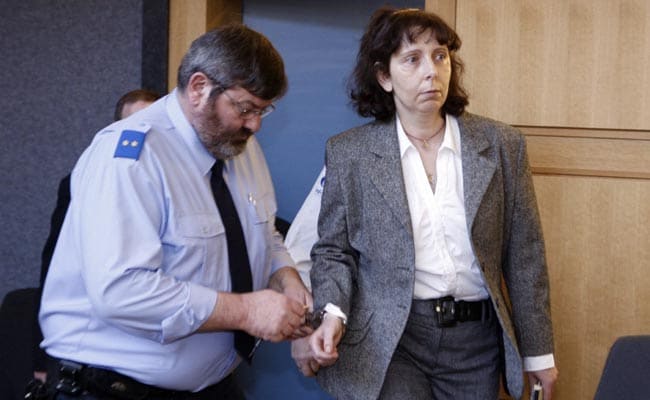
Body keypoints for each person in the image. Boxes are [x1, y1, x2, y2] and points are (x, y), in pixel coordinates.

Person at [37, 24, 311, 400]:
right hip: (113, 387)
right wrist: (246, 312)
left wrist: (286, 279)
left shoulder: (240, 146)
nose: (255, 125)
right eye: (245, 108)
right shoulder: (130, 158)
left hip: (211, 385)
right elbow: (122, 290)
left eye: (264, 111)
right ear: (199, 87)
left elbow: (263, 233)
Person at [298, 7, 558, 400]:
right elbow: (334, 250)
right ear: (384, 76)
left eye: (440, 56)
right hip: (392, 340)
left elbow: (525, 256)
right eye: (412, 59)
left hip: (476, 343)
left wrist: (538, 353)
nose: (431, 72)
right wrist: (332, 312)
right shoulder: (349, 153)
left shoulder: (501, 145)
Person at [32, 89, 162, 384]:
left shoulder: (184, 183)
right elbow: (52, 264)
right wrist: (41, 356)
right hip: (102, 347)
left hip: (164, 348)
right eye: (134, 124)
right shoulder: (83, 181)